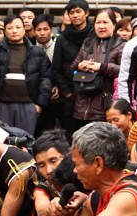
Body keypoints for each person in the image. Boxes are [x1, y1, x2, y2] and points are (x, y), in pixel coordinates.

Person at [0, 15, 52, 136]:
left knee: (26, 141)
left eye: (17, 27)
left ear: (24, 29)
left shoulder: (37, 52)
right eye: (10, 28)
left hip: (28, 105)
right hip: (3, 104)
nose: (14, 31)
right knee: (4, 140)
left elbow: (45, 79)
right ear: (5, 31)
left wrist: (40, 104)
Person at [71, 8, 125, 125]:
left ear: (114, 24)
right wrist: (81, 65)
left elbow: (123, 71)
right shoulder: (88, 43)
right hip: (82, 104)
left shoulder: (121, 44)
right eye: (98, 22)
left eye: (105, 22)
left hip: (105, 104)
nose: (101, 26)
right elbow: (72, 67)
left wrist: (100, 67)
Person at [51, 0, 93, 137]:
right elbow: (56, 69)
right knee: (72, 135)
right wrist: (67, 92)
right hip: (71, 93)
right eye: (71, 12)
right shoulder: (62, 39)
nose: (75, 15)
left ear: (86, 13)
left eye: (78, 11)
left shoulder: (95, 36)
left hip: (93, 92)